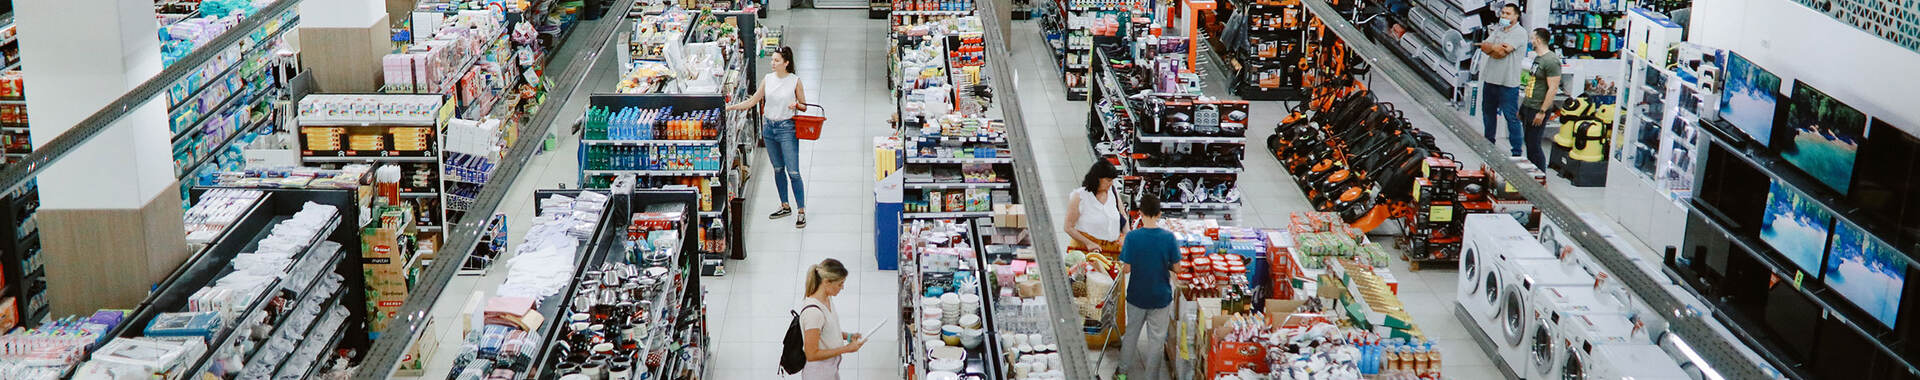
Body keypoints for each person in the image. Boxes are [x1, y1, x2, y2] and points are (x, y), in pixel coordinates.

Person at [727, 46, 810, 228]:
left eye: (776, 60)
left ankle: (801, 211)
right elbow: (752, 101)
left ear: (786, 63)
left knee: (793, 171)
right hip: (769, 129)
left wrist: (796, 104)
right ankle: (785, 205)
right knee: (778, 169)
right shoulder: (768, 79)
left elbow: (804, 106)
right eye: (772, 60)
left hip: (787, 128)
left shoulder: (795, 81)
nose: (772, 63)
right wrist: (730, 107)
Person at [1116, 197, 1180, 380]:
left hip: (1137, 295)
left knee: (1131, 335)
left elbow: (1126, 268)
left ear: (1141, 214)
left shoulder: (1132, 237)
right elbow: (1177, 268)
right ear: (1160, 214)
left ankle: (1121, 373)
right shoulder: (1169, 238)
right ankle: (1151, 376)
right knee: (1157, 340)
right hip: (1160, 297)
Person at [1477, 3, 1528, 158]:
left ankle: (1516, 152)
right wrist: (1494, 48)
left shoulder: (1520, 33)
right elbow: (1484, 46)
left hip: (1508, 83)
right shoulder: (1499, 29)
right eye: (1503, 13)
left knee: (1510, 117)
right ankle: (1488, 143)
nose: (1504, 16)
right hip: (1491, 79)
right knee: (1488, 113)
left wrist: (1493, 48)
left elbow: (1501, 52)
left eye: (1507, 14)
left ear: (1516, 16)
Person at [797, 259, 862, 379]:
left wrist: (847, 336)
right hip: (819, 373)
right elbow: (811, 354)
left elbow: (826, 331)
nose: (842, 288)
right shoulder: (813, 313)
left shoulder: (827, 299)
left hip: (830, 367)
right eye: (840, 284)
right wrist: (845, 349)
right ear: (826, 282)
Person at [1520, 28, 1562, 168]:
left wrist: (1542, 111)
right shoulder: (1538, 58)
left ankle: (1540, 176)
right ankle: (1532, 172)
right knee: (1528, 141)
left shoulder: (1551, 61)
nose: (1531, 41)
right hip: (1529, 105)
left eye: (1532, 38)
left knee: (1534, 144)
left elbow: (1553, 88)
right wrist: (1523, 107)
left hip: (1538, 108)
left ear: (1538, 40)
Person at [1064, 161, 1126, 254]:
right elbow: (1068, 227)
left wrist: (1127, 237)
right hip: (1086, 251)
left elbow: (1123, 216)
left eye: (1112, 180)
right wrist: (1088, 243)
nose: (1111, 183)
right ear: (1097, 179)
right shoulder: (1079, 196)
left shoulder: (1113, 192)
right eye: (1108, 180)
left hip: (1112, 251)